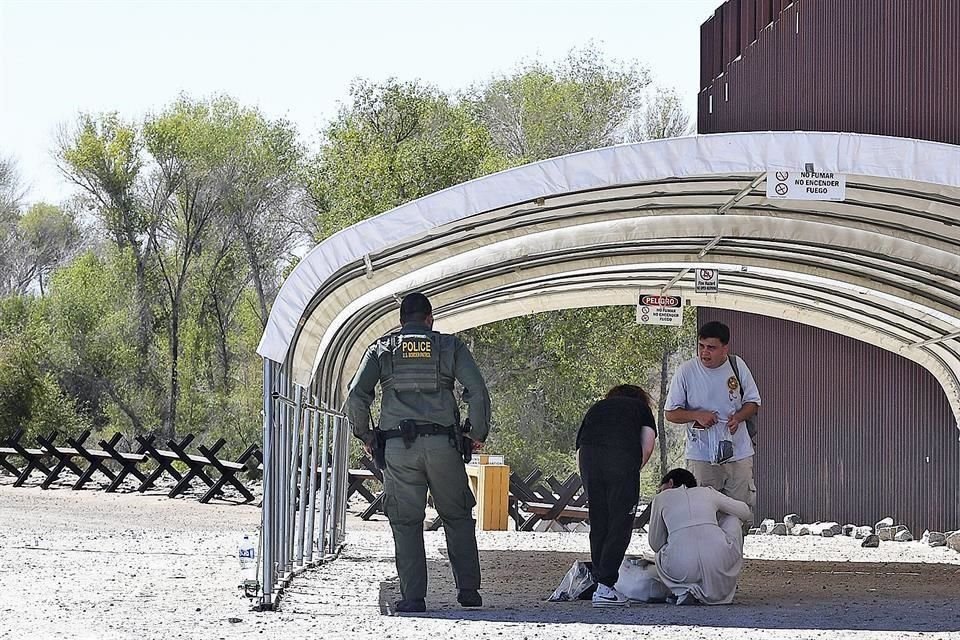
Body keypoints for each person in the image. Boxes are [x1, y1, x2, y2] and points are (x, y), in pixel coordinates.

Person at [345, 292, 491, 613]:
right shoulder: (450, 347)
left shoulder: (382, 349)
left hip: (398, 448)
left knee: (406, 520)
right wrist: (476, 434)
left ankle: (414, 598)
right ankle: (468, 590)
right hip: (444, 447)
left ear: (400, 322)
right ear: (430, 319)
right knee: (457, 516)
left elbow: (357, 396)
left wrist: (366, 435)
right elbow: (477, 391)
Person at [664, 320, 760, 523]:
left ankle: (734, 553)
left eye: (711, 348)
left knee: (738, 512)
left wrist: (739, 417)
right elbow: (671, 413)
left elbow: (753, 402)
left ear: (725, 348)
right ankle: (708, 552)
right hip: (702, 454)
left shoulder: (737, 365)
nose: (705, 352)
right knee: (703, 513)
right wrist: (696, 415)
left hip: (738, 452)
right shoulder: (686, 371)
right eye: (701, 346)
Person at [575, 384, 657, 608]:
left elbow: (580, 448)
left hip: (589, 460)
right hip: (621, 459)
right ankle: (606, 586)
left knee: (599, 521)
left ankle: (600, 580)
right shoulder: (641, 409)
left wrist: (588, 479)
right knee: (620, 522)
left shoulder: (597, 407)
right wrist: (631, 471)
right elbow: (647, 444)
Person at [648, 468, 752, 605]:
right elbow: (745, 512)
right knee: (733, 518)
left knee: (660, 554)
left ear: (670, 483)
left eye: (661, 488)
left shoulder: (661, 498)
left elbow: (655, 543)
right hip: (717, 563)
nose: (661, 492)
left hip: (681, 569)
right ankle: (719, 588)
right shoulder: (707, 493)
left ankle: (684, 590)